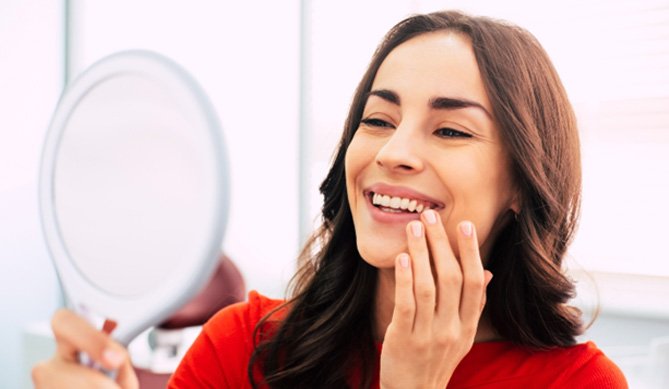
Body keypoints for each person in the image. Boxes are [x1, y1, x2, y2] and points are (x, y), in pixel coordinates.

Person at [32, 10, 628, 389]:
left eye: (450, 130)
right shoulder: (241, 348)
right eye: (377, 119)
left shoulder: (581, 384)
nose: (393, 151)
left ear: (522, 185)